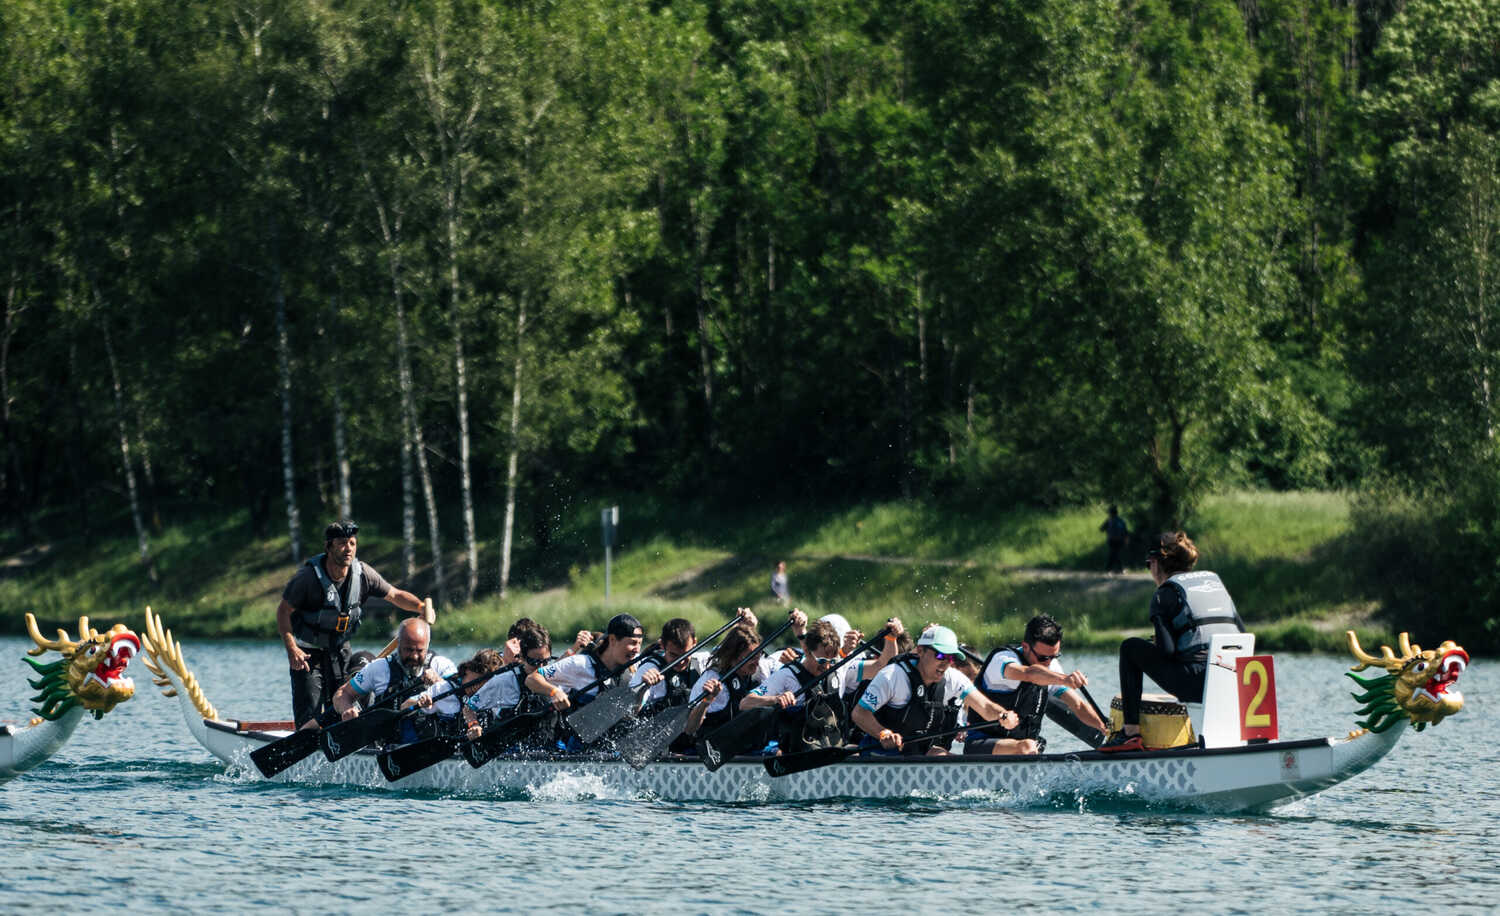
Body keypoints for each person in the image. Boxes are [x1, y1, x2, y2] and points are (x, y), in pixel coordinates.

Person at [275, 519, 430, 730]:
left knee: (343, 706)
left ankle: (342, 746)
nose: (348, 548)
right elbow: (283, 611)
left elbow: (395, 595)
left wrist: (421, 607)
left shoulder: (363, 574)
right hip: (307, 655)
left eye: (352, 543)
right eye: (341, 543)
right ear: (328, 547)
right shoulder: (307, 578)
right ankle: (305, 743)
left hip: (340, 652)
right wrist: (292, 648)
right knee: (309, 714)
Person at [1101, 531, 1247, 752]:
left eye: (1148, 564)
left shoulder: (1165, 593)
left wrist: (1158, 642)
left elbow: (1167, 651)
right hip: (1236, 679)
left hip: (1197, 682)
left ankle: (1130, 734)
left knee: (1130, 647)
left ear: (1158, 564)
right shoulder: (1215, 584)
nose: (1149, 570)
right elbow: (1241, 633)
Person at [850, 625, 1019, 755]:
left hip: (919, 753)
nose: (945, 663)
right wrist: (882, 734)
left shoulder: (953, 678)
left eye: (951, 658)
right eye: (940, 656)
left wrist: (1003, 715)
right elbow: (859, 713)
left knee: (944, 756)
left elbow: (986, 708)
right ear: (921, 651)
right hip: (881, 753)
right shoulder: (892, 676)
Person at [965, 614, 1108, 756]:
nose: (1048, 663)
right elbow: (1029, 674)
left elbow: (1078, 706)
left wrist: (1106, 728)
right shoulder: (1002, 660)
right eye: (1043, 658)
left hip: (1021, 747)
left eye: (1054, 657)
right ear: (1025, 646)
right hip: (981, 743)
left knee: (1032, 745)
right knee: (1028, 746)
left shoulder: (1051, 667)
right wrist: (1064, 679)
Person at [331, 617, 457, 740]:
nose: (414, 656)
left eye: (419, 650)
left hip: (434, 743)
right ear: (398, 644)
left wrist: (439, 681)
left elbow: (462, 694)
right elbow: (343, 693)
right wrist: (346, 710)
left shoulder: (441, 665)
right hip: (390, 743)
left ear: (427, 646)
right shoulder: (379, 668)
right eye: (408, 649)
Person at [525, 613, 662, 713]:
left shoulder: (635, 667)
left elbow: (631, 713)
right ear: (613, 640)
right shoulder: (580, 664)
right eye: (632, 643)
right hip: (574, 746)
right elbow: (532, 679)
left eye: (639, 644)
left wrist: (644, 687)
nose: (637, 650)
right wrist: (554, 692)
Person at [463, 625, 556, 748]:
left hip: (549, 742)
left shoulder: (555, 671)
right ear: (522, 657)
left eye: (545, 661)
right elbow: (468, 708)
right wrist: (474, 724)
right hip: (514, 747)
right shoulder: (503, 681)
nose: (541, 667)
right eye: (534, 662)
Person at [683, 622, 773, 738]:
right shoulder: (712, 679)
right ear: (732, 656)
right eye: (751, 657)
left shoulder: (760, 669)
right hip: (713, 744)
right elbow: (690, 729)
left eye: (758, 655)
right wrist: (706, 701)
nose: (756, 662)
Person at [399, 648, 504, 742]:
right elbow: (404, 706)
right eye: (476, 680)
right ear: (467, 669)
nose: (478, 688)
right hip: (425, 740)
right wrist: (421, 702)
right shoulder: (443, 689)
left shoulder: (492, 697)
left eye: (484, 685)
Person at [1101, 506, 1129, 574]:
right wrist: (1126, 540)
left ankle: (1110, 568)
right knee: (1115, 554)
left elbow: (1101, 529)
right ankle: (1117, 569)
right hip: (1119, 540)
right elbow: (1125, 532)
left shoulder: (1109, 521)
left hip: (1111, 540)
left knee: (1114, 554)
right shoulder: (1120, 521)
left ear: (1110, 513)